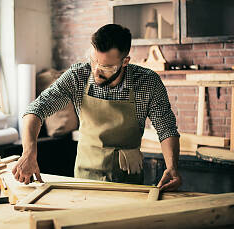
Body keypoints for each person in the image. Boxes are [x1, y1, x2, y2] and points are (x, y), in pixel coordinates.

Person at [12, 24, 182, 191]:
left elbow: (166, 127)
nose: (96, 71)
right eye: (93, 61)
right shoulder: (78, 76)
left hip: (129, 180)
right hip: (85, 178)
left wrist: (172, 167)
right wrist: (28, 153)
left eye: (106, 67)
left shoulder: (147, 82)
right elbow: (36, 109)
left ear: (125, 62)